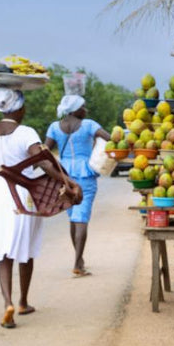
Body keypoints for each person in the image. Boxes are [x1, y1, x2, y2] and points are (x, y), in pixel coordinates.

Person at [0, 86, 82, 329]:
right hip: (23, 197)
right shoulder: (25, 132)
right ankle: (24, 301)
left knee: (4, 253)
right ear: (19, 108)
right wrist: (68, 182)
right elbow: (44, 163)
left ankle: (8, 303)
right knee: (24, 249)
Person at [44, 95, 111, 277]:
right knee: (81, 219)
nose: (86, 110)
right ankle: (77, 263)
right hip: (85, 175)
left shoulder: (54, 127)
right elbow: (110, 138)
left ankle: (79, 259)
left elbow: (44, 151)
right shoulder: (89, 125)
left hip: (63, 176)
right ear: (75, 109)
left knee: (73, 217)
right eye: (83, 107)